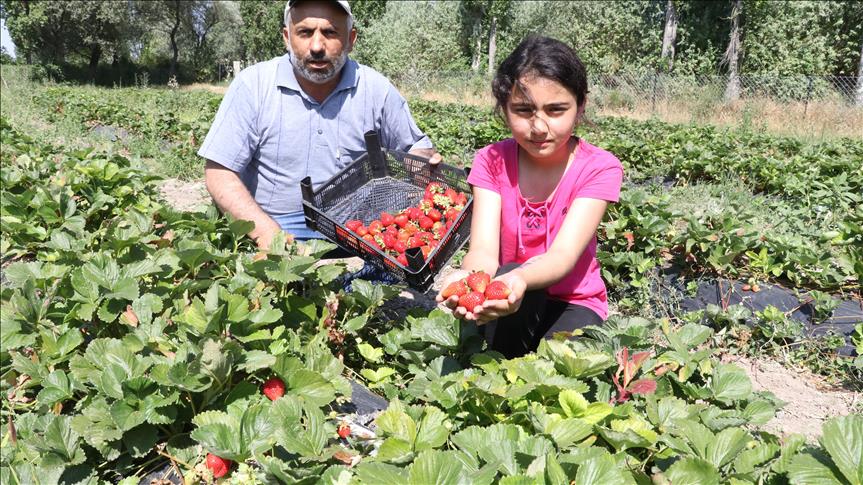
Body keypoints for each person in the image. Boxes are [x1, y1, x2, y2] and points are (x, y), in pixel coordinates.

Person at [198, 0, 441, 251]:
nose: (316, 46)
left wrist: (423, 161)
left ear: (351, 39)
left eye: (330, 32)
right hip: (276, 226)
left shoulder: (375, 89)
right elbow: (219, 173)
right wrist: (268, 235)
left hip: (360, 233)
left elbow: (415, 149)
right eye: (304, 32)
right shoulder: (254, 86)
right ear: (287, 37)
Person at [436, 36, 624, 359]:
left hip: (573, 302)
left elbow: (563, 256)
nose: (538, 127)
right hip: (508, 295)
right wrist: (472, 277)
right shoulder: (491, 161)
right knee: (498, 362)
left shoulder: (599, 168)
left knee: (564, 368)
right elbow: (483, 250)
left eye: (556, 110)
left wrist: (520, 278)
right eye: (523, 110)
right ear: (505, 109)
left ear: (580, 106)